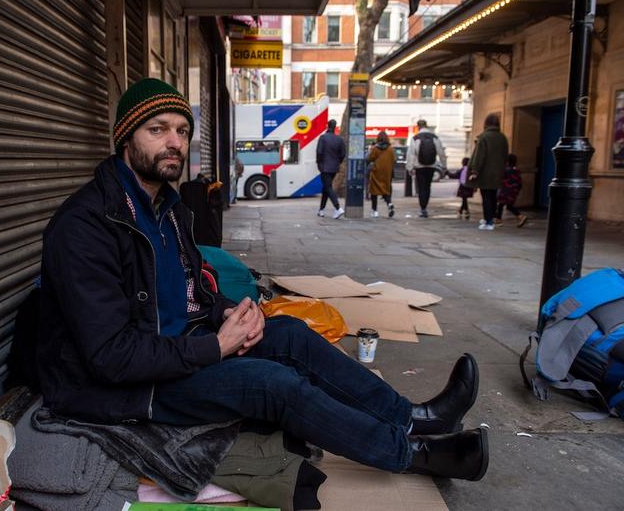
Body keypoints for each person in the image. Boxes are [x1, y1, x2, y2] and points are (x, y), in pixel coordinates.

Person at [37, 78, 489, 483]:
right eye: (157, 129)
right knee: (270, 384)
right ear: (126, 139)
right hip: (124, 387)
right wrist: (216, 346)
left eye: (181, 129)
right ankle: (416, 453)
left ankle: (414, 416)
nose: (173, 142)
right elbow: (110, 358)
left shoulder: (168, 208)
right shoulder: (86, 226)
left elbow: (191, 294)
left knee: (290, 333)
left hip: (178, 348)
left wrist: (230, 313)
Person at [468, 114, 508, 230]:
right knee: (493, 196)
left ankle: (488, 221)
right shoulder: (502, 137)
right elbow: (505, 155)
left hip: (485, 172)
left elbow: (479, 156)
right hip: (498, 172)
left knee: (486, 197)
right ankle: (491, 219)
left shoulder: (484, 137)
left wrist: (475, 171)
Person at [406, 119, 446, 218]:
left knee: (421, 187)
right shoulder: (435, 137)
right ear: (426, 126)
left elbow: (411, 154)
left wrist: (410, 167)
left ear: (418, 127)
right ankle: (425, 207)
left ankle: (422, 209)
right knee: (427, 187)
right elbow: (441, 152)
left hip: (419, 167)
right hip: (431, 166)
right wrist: (444, 165)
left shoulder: (415, 138)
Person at [315, 119, 345, 219]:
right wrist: (338, 162)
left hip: (325, 167)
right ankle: (321, 210)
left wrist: (319, 163)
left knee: (328, 187)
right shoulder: (339, 139)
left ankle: (338, 208)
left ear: (328, 126)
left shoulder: (323, 138)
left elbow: (319, 152)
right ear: (335, 126)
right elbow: (342, 154)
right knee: (326, 187)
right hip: (334, 167)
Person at [366, 131, 395, 218]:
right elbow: (394, 160)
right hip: (386, 173)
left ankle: (375, 211)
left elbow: (370, 158)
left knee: (374, 192)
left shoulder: (375, 148)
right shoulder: (390, 149)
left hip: (376, 172)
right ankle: (389, 204)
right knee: (385, 191)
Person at [495, 154, 527, 227]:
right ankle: (520, 217)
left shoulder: (506, 170)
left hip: (505, 191)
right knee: (508, 205)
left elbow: (501, 180)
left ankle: (498, 220)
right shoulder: (517, 171)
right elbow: (519, 182)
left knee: (501, 205)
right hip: (514, 191)